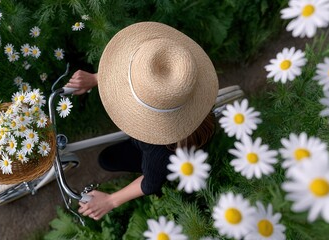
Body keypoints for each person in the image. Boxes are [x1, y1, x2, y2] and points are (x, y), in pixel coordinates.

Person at [65, 22, 219, 221]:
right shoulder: (180, 73)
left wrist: (112, 200)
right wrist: (97, 78)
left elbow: (150, 183)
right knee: (109, 157)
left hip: (164, 153)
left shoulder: (160, 151)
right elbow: (140, 74)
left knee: (107, 160)